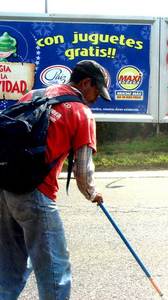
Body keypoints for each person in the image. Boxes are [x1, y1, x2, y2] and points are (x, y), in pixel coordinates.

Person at [0, 60, 111, 300]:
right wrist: (92, 193)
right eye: (96, 91)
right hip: (35, 192)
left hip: (5, 187)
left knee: (9, 266)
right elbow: (83, 170)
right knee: (55, 271)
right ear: (86, 83)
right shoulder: (81, 113)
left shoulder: (33, 95)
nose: (96, 99)